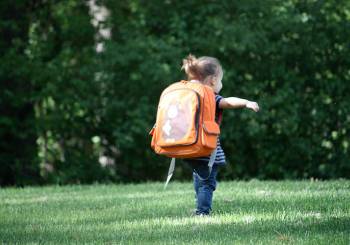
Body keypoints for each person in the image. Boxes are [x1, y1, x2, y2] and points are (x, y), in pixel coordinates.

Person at [182, 54, 259, 216]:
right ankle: (203, 212)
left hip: (189, 148)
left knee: (199, 180)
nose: (221, 84)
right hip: (208, 151)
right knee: (207, 183)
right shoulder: (211, 97)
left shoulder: (189, 95)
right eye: (221, 81)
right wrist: (246, 102)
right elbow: (229, 102)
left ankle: (200, 207)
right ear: (213, 80)